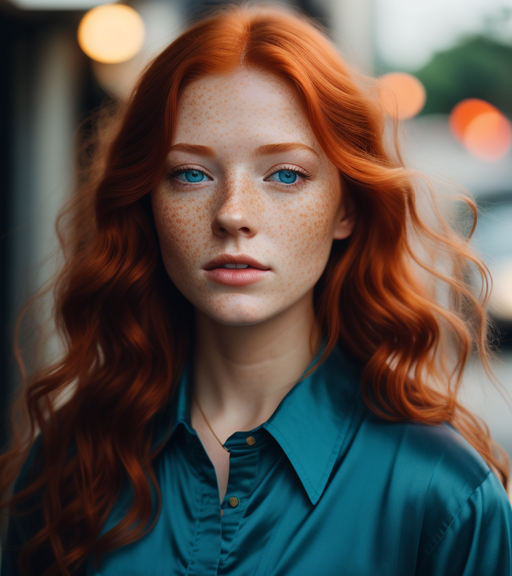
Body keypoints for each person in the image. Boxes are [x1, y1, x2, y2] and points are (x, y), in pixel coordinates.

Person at [1, 2, 511, 575]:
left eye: (286, 175)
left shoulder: (444, 497)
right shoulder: (69, 463)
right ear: (148, 201)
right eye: (191, 173)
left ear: (345, 207)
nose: (233, 215)